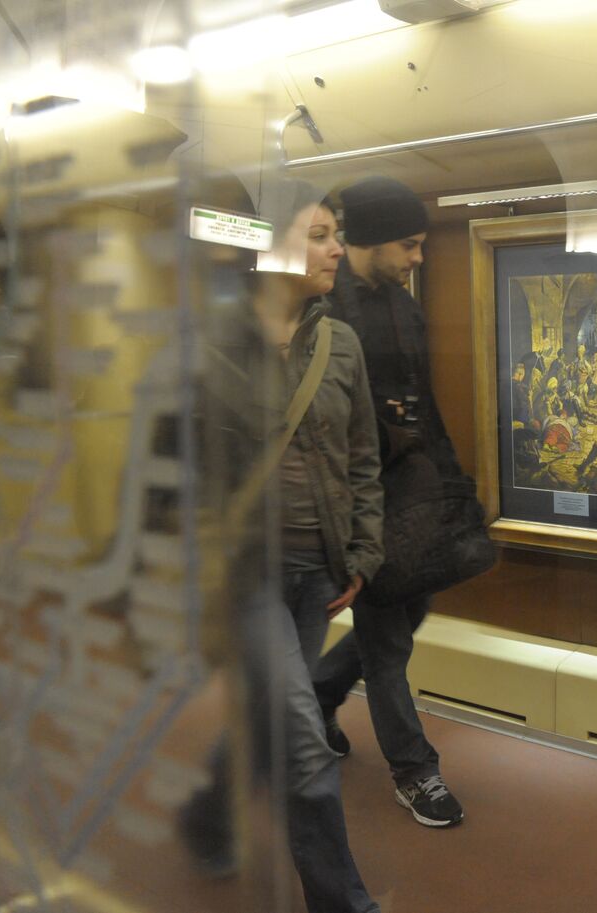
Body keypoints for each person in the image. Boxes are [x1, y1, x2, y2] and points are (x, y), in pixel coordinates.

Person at [182, 182, 384, 913]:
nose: (337, 249)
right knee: (305, 741)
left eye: (339, 235)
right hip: (247, 576)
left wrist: (362, 554)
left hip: (317, 570)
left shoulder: (341, 343)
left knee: (273, 714)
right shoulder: (208, 347)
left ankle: (205, 811)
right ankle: (344, 903)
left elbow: (363, 456)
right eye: (323, 233)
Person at [313, 175, 464, 828]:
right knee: (385, 640)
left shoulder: (405, 307)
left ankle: (319, 694)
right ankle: (414, 769)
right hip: (356, 501)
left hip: (411, 490)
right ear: (369, 241)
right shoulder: (323, 311)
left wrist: (449, 480)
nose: (418, 258)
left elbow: (422, 402)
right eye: (408, 244)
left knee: (412, 610)